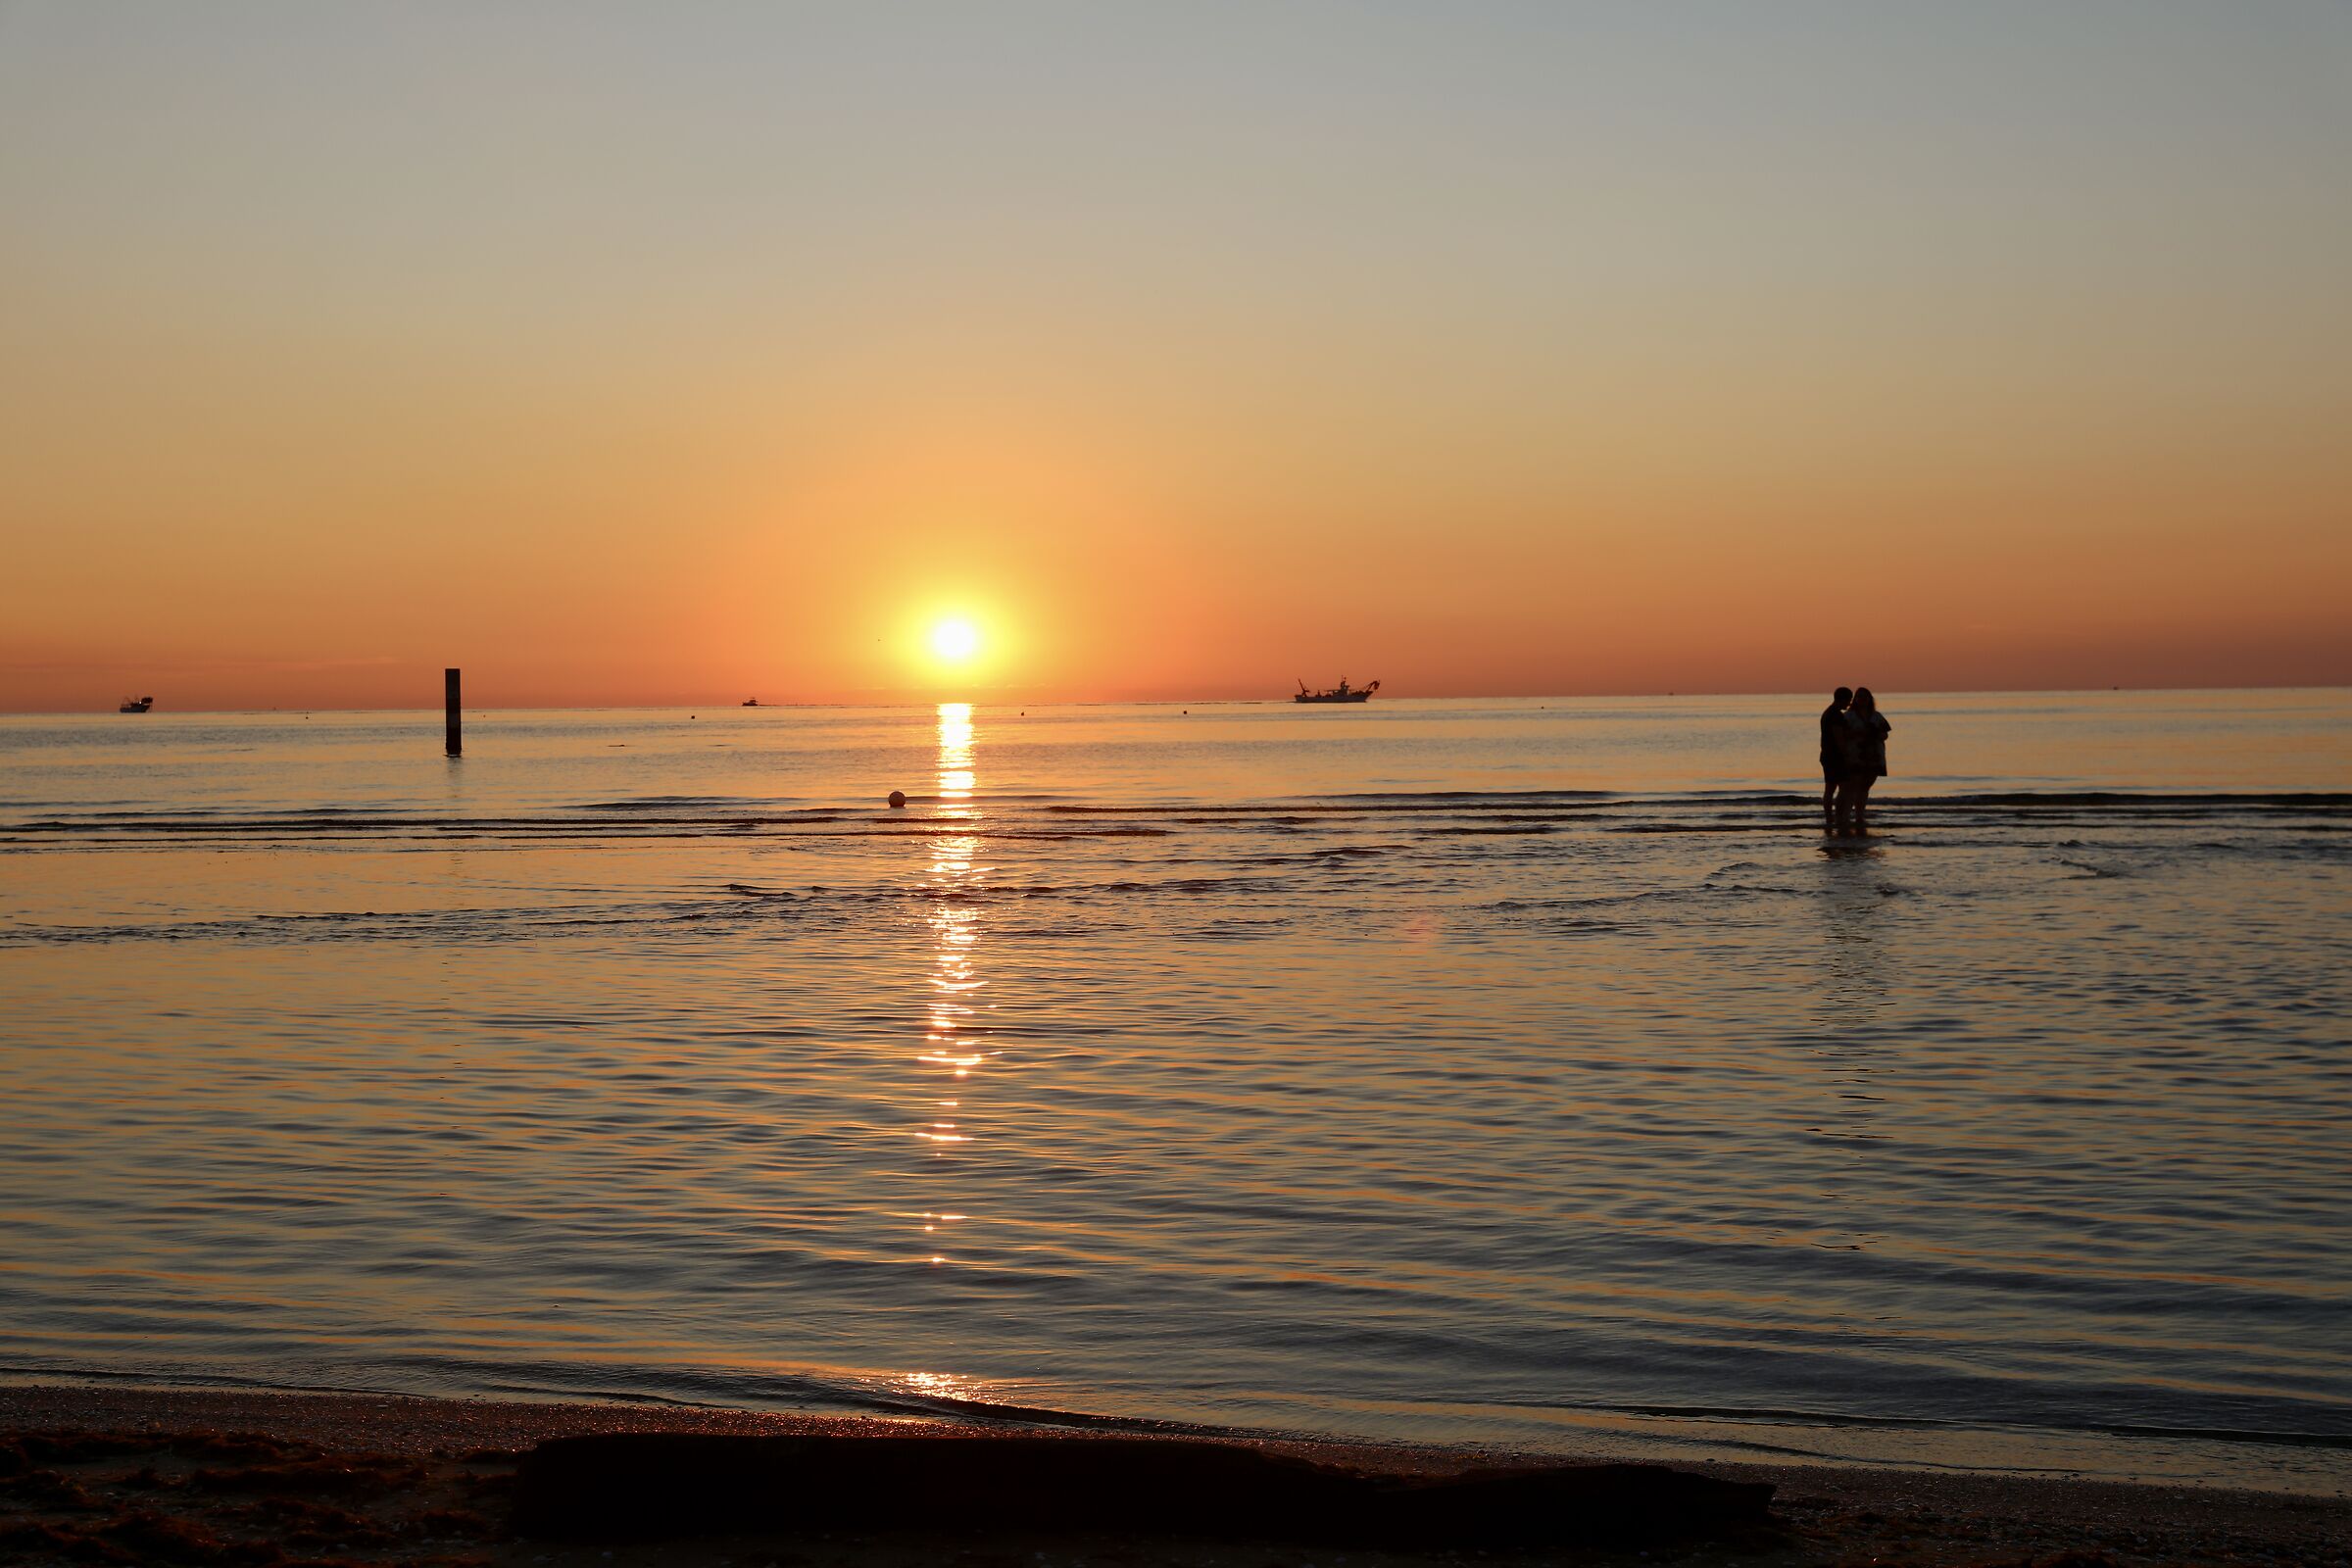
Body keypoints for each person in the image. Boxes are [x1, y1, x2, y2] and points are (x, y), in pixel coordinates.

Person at [1836, 688, 1891, 833]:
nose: (1862, 699)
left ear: (1870, 699)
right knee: (1853, 787)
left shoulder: (1876, 716)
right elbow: (1842, 734)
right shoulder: (1849, 716)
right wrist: (1857, 734)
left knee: (1866, 786)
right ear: (1855, 699)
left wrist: (1879, 735)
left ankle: (1860, 816)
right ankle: (1846, 816)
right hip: (1855, 755)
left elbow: (1886, 733)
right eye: (1859, 697)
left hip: (1874, 755)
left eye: (1865, 697)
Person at [1818, 687, 1852, 829]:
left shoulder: (1828, 712)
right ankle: (1838, 817)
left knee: (1830, 788)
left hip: (1827, 755)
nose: (1849, 704)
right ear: (1842, 699)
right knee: (1844, 788)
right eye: (1848, 700)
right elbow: (1839, 738)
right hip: (1835, 756)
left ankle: (1829, 818)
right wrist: (1846, 755)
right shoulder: (1835, 715)